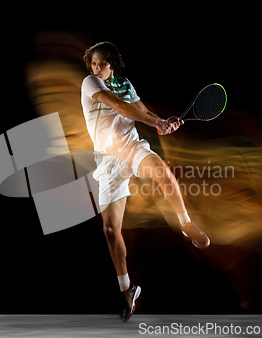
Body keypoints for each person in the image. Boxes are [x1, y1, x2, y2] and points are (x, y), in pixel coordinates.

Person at [81, 41, 210, 322]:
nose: (95, 68)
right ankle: (127, 290)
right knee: (111, 231)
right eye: (92, 63)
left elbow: (142, 110)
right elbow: (119, 107)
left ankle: (186, 223)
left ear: (112, 64)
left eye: (101, 63)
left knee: (162, 172)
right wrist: (156, 123)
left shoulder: (126, 83)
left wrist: (163, 121)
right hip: (108, 161)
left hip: (132, 149)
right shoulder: (90, 83)